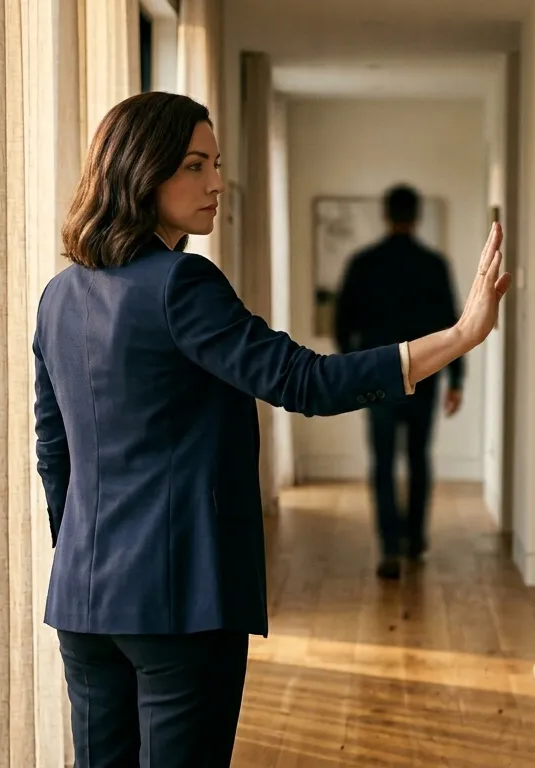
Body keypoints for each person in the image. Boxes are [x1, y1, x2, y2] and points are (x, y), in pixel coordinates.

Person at [33, 91, 510, 767]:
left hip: (83, 599)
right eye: (195, 165)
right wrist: (461, 336)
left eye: (217, 163)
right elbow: (303, 382)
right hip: (179, 604)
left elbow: (54, 455)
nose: (217, 182)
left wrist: (84, 554)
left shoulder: (59, 295)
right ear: (143, 170)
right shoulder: (181, 284)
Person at [333, 184, 466, 580]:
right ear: (417, 216)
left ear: (386, 215)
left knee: (384, 463)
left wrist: (351, 370)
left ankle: (390, 548)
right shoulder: (433, 264)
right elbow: (453, 327)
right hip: (426, 375)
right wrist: (456, 380)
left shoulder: (364, 262)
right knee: (419, 459)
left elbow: (343, 322)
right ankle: (415, 541)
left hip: (378, 376)